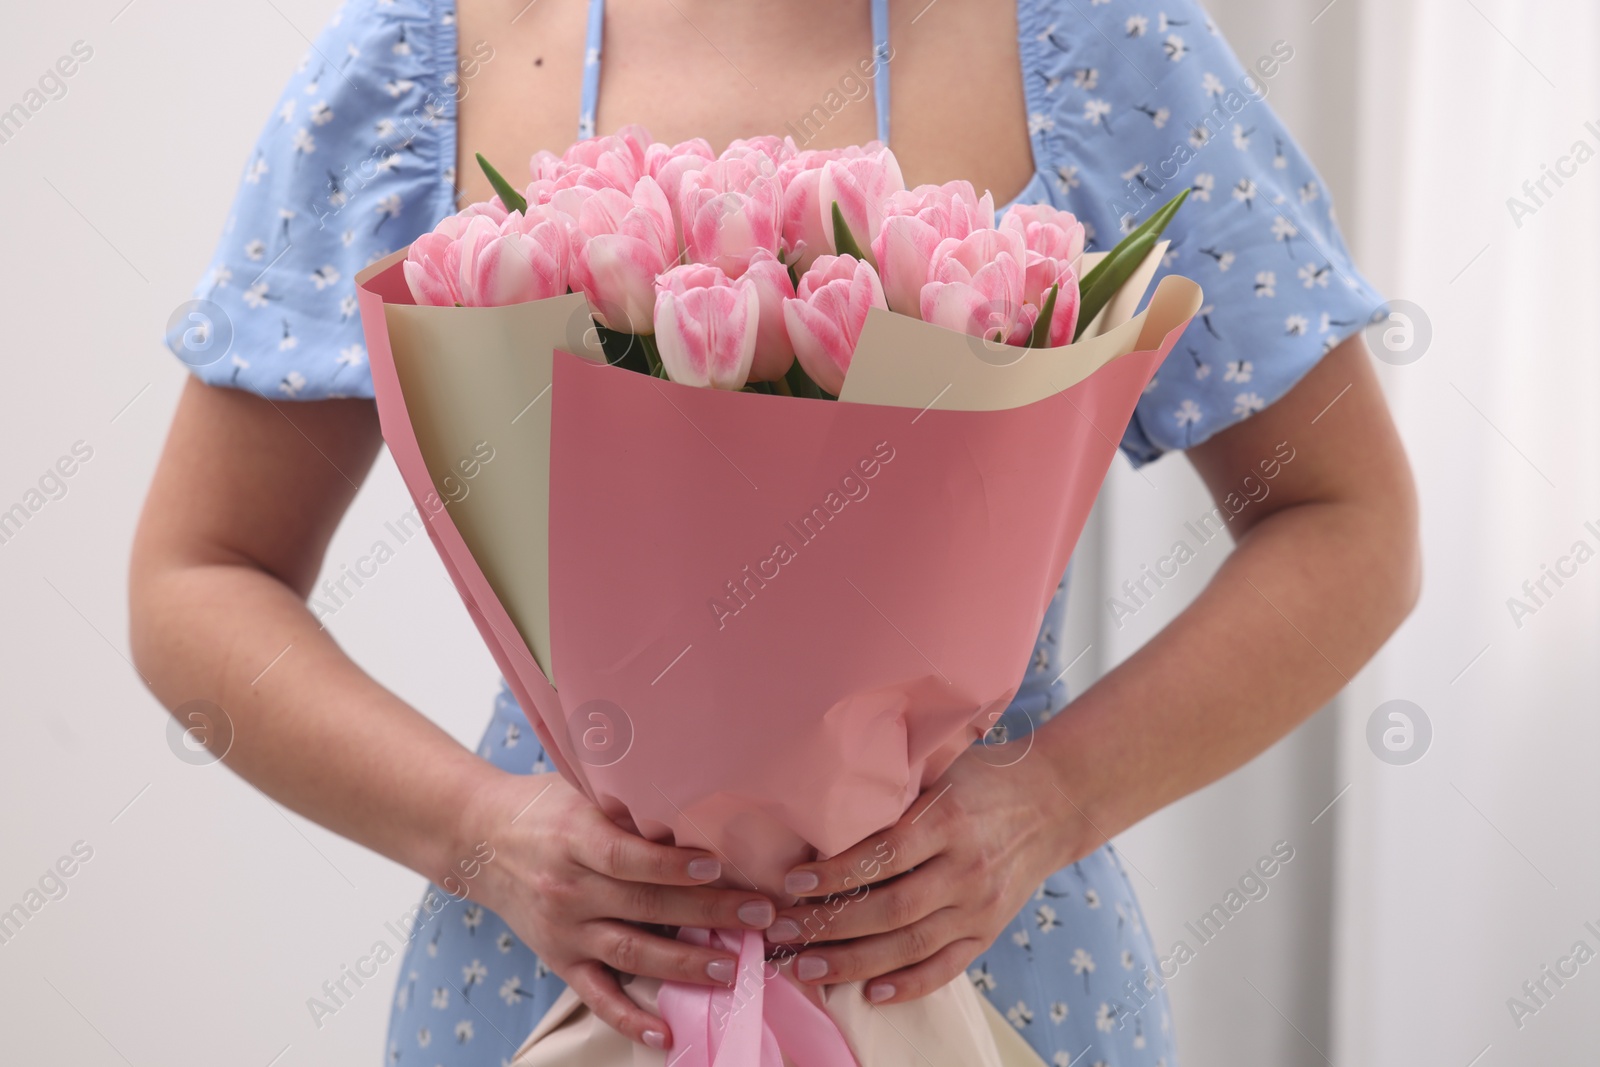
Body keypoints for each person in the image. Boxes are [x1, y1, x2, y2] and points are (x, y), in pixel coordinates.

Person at [129, 0, 1419, 1062]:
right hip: (548, 969)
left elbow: (1347, 519)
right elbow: (200, 573)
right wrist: (483, 832)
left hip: (994, 966)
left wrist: (1053, 801)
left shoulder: (1104, 45)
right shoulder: (417, 62)